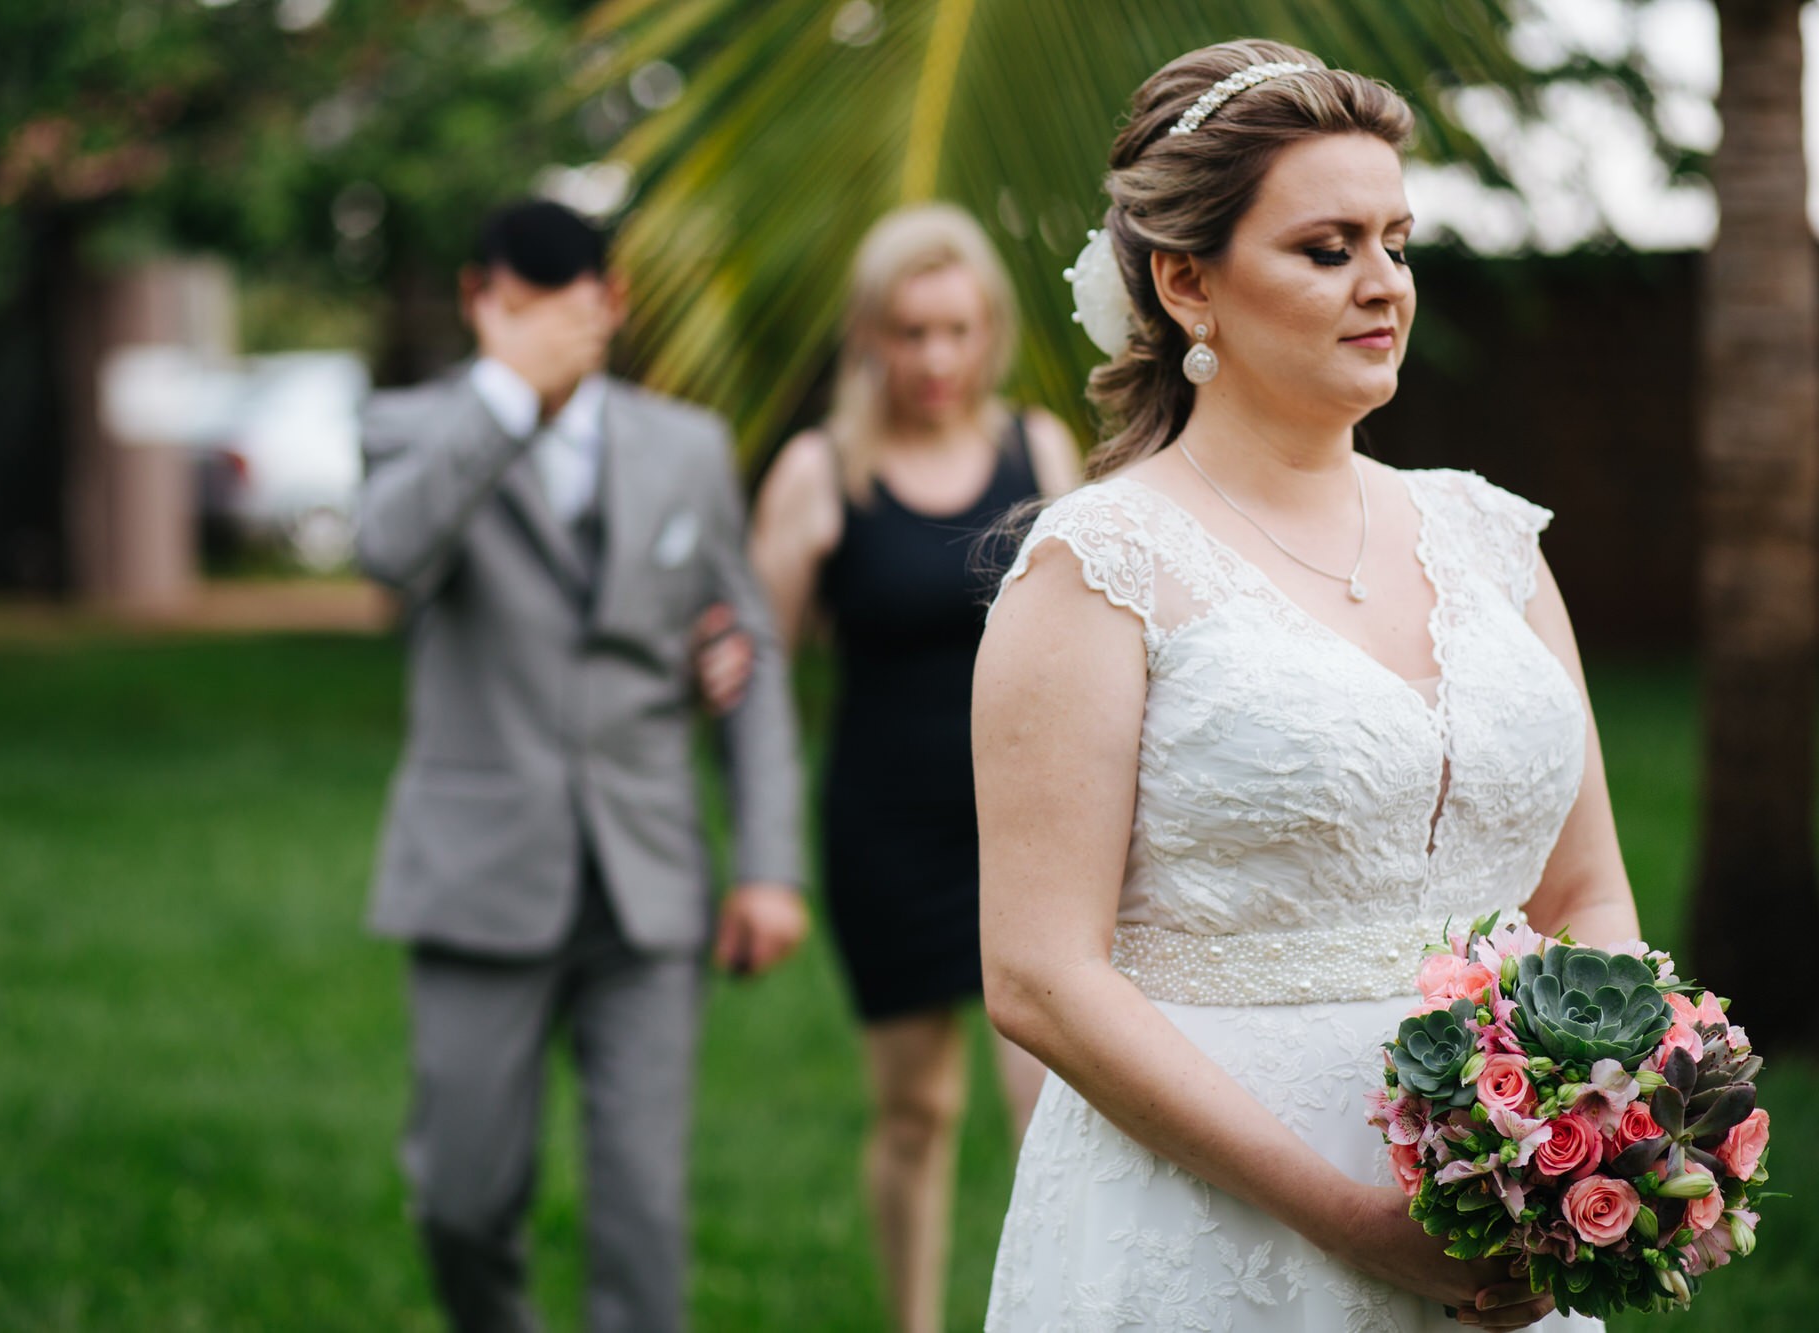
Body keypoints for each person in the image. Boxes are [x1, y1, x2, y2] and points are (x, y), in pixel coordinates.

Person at [975, 41, 1637, 1332]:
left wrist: (1590, 1127)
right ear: (1186, 283)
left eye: (1396, 241)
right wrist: (1351, 1221)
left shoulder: (1492, 542)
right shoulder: (1101, 565)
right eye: (1327, 249)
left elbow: (1585, 888)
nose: (1383, 284)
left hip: (1498, 1222)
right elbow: (1041, 973)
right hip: (1211, 1233)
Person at [354, 199, 808, 1333]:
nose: (546, 332)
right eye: (516, 310)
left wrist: (766, 864)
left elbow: (744, 662)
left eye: (567, 309)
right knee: (461, 1198)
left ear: (613, 305)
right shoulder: (414, 429)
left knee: (640, 1209)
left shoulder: (685, 449)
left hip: (643, 882)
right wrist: (509, 394)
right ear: (477, 303)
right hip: (476, 877)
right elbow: (388, 553)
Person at [743, 203, 1080, 1333]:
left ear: (987, 330)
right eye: (907, 331)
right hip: (884, 831)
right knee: (915, 1108)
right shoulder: (816, 471)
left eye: (954, 329)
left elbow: (1095, 651)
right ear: (869, 337)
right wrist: (760, 849)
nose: (933, 359)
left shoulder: (1037, 452)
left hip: (1028, 829)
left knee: (1051, 1112)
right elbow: (753, 679)